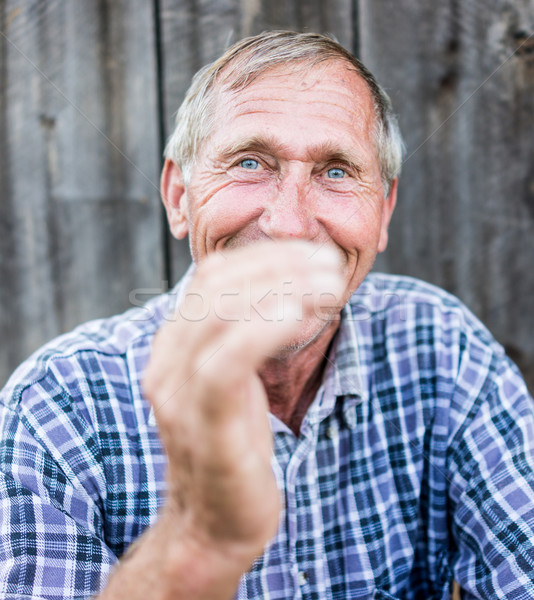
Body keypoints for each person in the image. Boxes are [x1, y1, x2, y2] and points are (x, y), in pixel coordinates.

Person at [1, 30, 534, 600]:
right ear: (180, 196)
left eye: (335, 171)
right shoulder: (55, 407)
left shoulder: (443, 351)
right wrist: (199, 542)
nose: (289, 224)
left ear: (382, 212)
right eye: (250, 162)